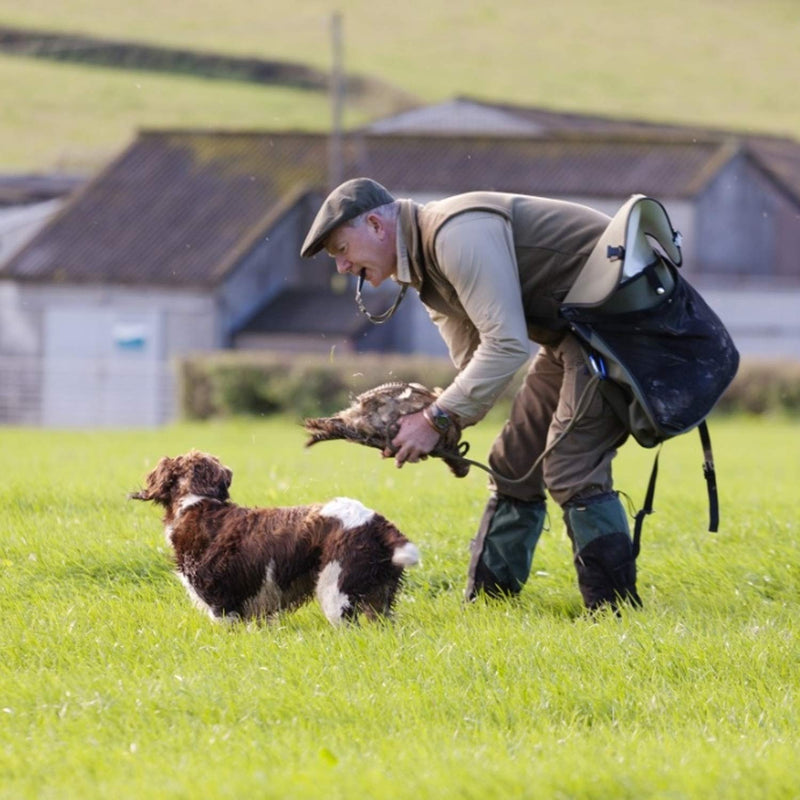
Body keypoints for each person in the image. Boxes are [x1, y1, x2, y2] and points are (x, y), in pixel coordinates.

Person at [300, 177, 642, 612]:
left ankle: (616, 614)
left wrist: (435, 421)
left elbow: (507, 346)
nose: (342, 268)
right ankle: (489, 606)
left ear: (375, 224)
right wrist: (432, 427)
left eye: (341, 250)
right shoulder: (426, 274)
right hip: (574, 335)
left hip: (622, 325)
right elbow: (476, 369)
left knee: (570, 466)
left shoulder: (454, 235)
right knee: (514, 464)